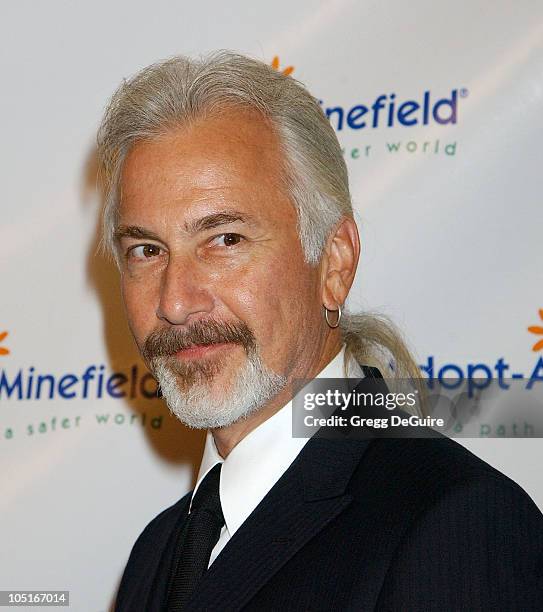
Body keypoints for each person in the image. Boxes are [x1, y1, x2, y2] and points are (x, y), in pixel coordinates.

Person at [97, 51, 543, 611]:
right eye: (146, 250)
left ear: (334, 263)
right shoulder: (156, 554)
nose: (176, 301)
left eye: (225, 239)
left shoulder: (454, 524)